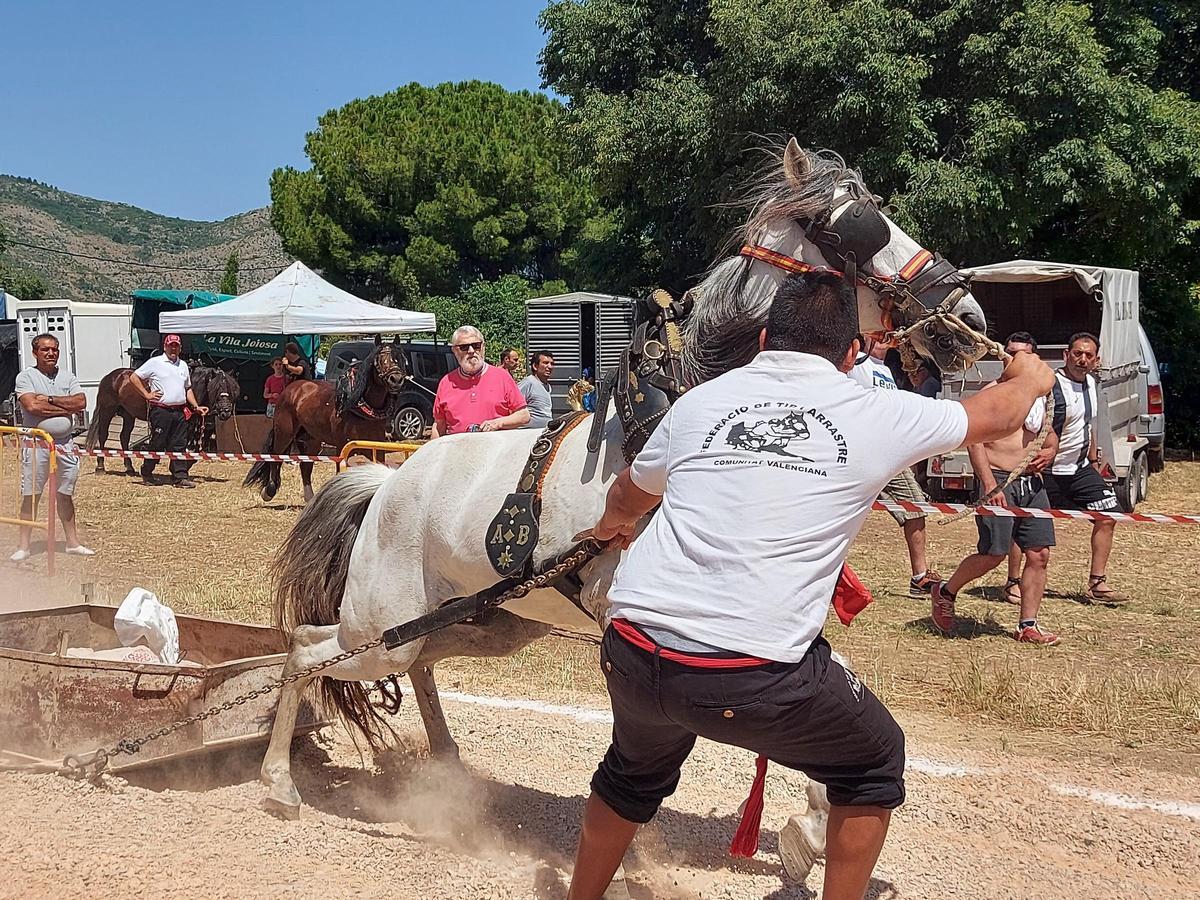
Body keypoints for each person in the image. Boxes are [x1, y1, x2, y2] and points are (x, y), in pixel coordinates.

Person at [566, 271, 1055, 900]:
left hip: (632, 644)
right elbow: (999, 414)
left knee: (631, 774)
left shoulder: (701, 402)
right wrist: (1030, 376)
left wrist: (611, 528)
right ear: (852, 353)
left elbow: (627, 495)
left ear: (763, 339)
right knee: (873, 761)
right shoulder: (874, 410)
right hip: (748, 672)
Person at [931, 332, 1061, 644]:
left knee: (1039, 553)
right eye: (1010, 353)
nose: (1013, 359)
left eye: (1022, 354)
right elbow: (974, 441)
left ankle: (1027, 625)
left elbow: (1049, 435)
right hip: (999, 480)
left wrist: (1050, 452)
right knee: (993, 554)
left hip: (1031, 484)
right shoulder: (992, 393)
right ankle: (946, 591)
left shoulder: (1039, 398)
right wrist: (989, 484)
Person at [1034, 331, 1128, 604]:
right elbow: (1036, 425)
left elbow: (1087, 424)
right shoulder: (1050, 385)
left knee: (1109, 515)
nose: (1082, 360)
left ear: (1096, 360)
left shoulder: (1091, 383)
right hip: (1047, 471)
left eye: (1089, 355)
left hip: (1079, 469)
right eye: (1077, 354)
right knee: (1027, 524)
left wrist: (1094, 460)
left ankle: (1097, 583)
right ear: (1066, 355)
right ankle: (1014, 582)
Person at [849, 334, 940, 598]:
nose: (884, 339)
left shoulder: (886, 370)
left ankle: (920, 578)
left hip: (888, 453)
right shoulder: (856, 363)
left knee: (914, 506)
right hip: (861, 450)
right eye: (877, 335)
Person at [11, 333, 95, 561]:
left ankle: (72, 543)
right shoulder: (25, 377)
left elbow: (81, 402)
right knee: (32, 495)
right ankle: (24, 546)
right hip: (36, 444)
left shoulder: (68, 376)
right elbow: (32, 406)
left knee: (65, 493)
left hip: (65, 444)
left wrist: (48, 399)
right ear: (35, 353)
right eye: (45, 349)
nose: (51, 353)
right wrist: (65, 406)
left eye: (54, 349)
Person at [130, 334, 209, 489]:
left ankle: (179, 477)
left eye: (176, 346)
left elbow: (187, 388)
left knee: (179, 444)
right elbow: (134, 377)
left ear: (180, 348)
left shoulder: (183, 365)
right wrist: (146, 394)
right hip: (161, 410)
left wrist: (196, 406)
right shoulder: (155, 362)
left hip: (179, 411)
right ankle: (147, 471)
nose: (173, 348)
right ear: (165, 347)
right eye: (170, 345)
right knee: (158, 443)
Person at [430, 326, 530, 437]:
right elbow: (439, 425)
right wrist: (432, 447)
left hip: (496, 446)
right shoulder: (446, 382)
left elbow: (524, 415)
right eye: (464, 347)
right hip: (458, 447)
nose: (471, 351)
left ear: (483, 347)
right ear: (454, 351)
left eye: (476, 346)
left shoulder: (502, 377)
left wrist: (498, 423)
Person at [518, 350, 555, 428]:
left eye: (552, 364)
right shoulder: (528, 382)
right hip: (529, 431)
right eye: (545, 363)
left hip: (544, 431)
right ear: (535, 366)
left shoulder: (548, 386)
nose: (550, 367)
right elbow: (513, 404)